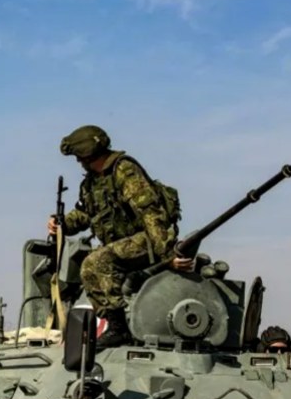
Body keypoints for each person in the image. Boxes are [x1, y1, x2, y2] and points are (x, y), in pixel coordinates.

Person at [47, 125, 192, 348]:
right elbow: (87, 214)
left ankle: (119, 329)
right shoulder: (92, 182)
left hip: (149, 240)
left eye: (79, 156)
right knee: (91, 267)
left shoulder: (124, 171)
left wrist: (167, 256)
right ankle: (115, 322)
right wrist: (62, 224)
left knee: (95, 262)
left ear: (88, 154)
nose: (78, 162)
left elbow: (151, 214)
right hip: (124, 245)